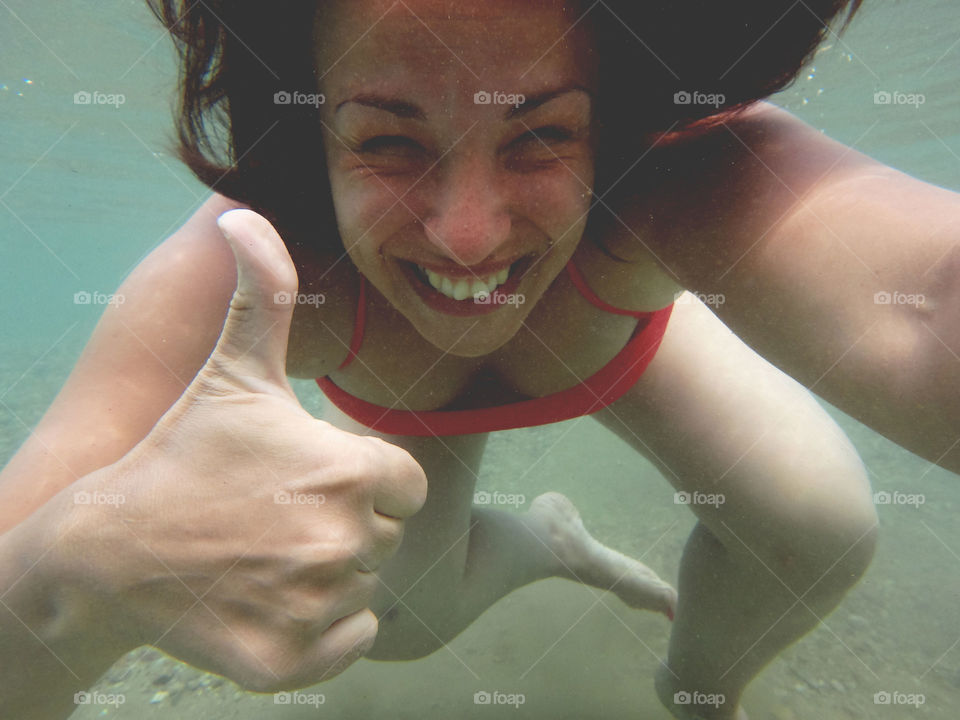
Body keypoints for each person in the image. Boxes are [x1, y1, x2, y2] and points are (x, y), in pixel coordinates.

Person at [1, 1, 956, 718]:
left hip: (618, 349)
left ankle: (695, 687)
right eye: (387, 142)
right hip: (406, 409)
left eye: (541, 134)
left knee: (818, 527)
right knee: (395, 630)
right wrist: (89, 558)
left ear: (612, 132)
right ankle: (549, 542)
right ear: (311, 143)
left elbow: (927, 310)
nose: (467, 237)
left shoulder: (673, 178)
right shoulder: (253, 260)